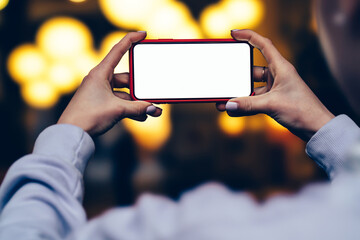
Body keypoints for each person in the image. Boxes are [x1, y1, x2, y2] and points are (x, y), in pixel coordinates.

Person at [1, 0, 360, 238]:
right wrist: (328, 129)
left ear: (344, 8)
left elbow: (24, 232)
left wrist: (68, 132)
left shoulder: (187, 228)